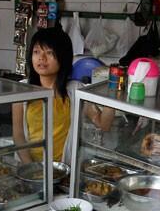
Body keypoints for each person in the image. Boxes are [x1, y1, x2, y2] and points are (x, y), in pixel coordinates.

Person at [13, 27, 113, 164]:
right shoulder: (21, 90)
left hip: (64, 170)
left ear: (63, 57)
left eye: (49, 53)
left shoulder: (75, 90)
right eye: (36, 52)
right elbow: (18, 135)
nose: (41, 58)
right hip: (29, 169)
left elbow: (103, 124)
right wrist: (31, 168)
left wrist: (114, 92)